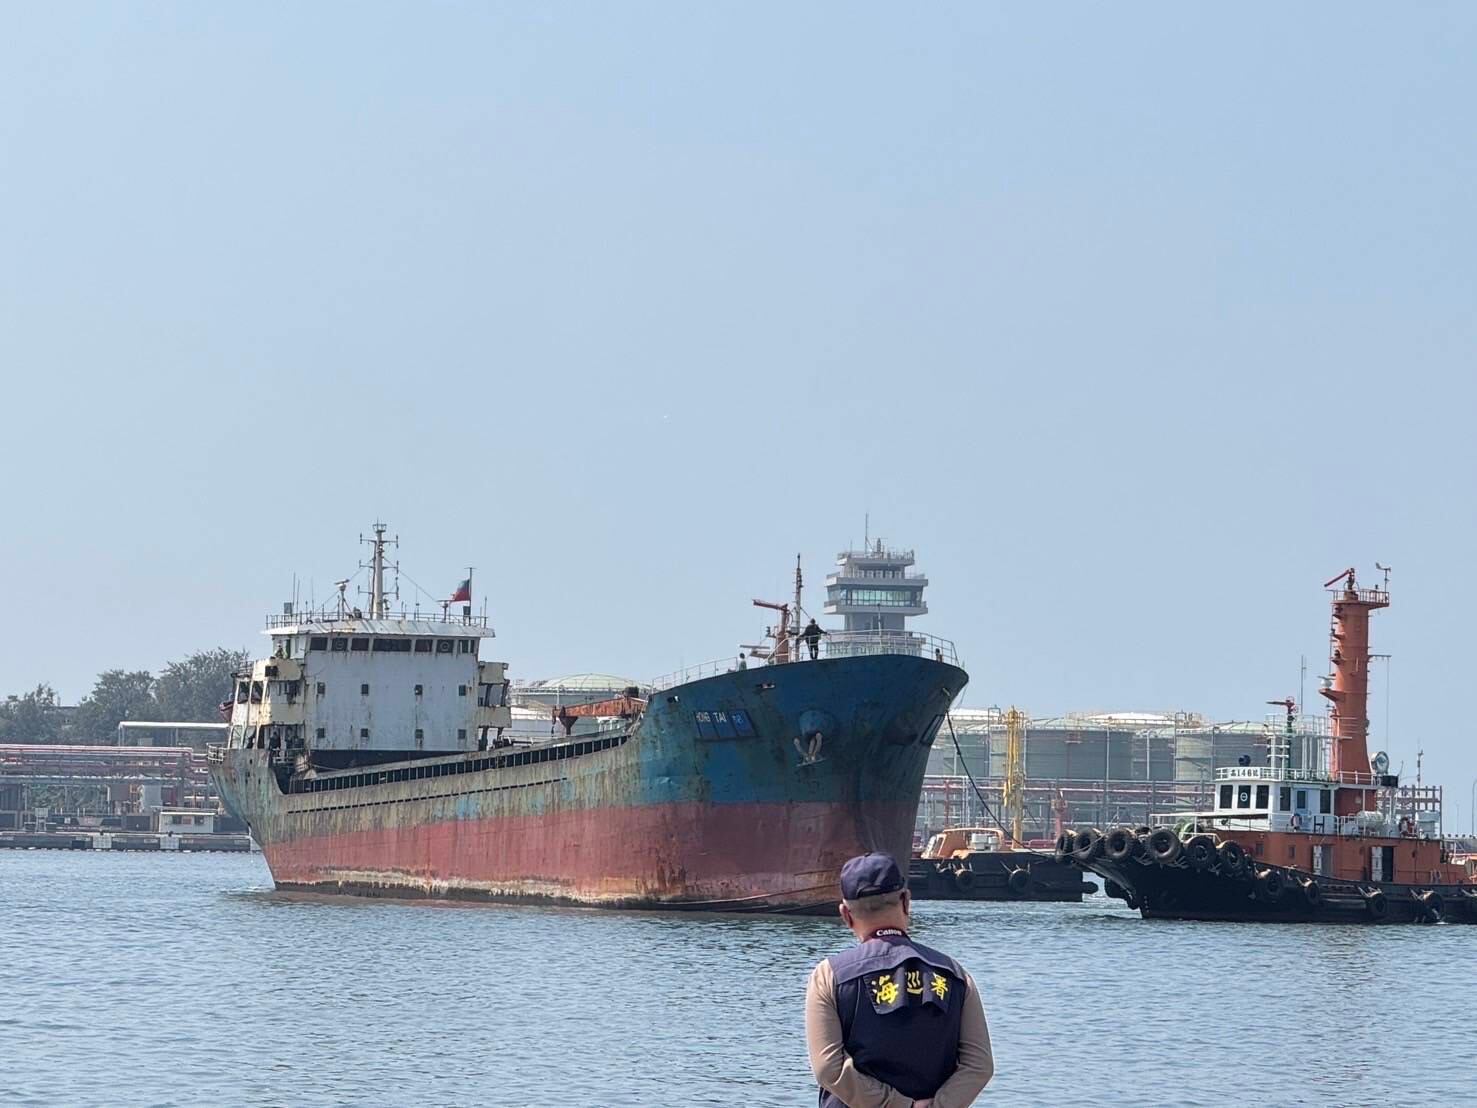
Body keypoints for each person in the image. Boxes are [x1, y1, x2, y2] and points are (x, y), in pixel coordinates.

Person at [806, 853, 993, 1108]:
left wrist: (898, 1104)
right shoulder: (956, 976)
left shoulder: (829, 976)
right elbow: (979, 1066)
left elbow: (829, 1069)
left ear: (846, 915)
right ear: (905, 901)